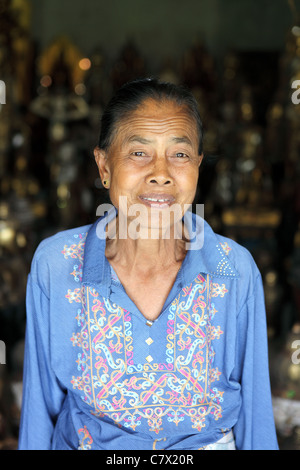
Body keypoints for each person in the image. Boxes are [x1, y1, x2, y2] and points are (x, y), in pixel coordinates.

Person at [18, 78, 278, 450]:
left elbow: (256, 414)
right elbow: (39, 413)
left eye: (180, 154)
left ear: (198, 166)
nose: (161, 172)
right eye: (139, 153)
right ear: (104, 164)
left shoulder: (231, 266)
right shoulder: (57, 265)